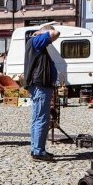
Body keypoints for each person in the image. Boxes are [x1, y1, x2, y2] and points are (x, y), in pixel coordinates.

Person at [24, 25, 60, 161]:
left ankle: (37, 149)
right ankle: (38, 151)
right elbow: (56, 33)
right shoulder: (37, 40)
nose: (50, 42)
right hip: (41, 85)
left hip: (39, 85)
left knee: (37, 118)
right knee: (41, 119)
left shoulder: (35, 43)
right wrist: (44, 32)